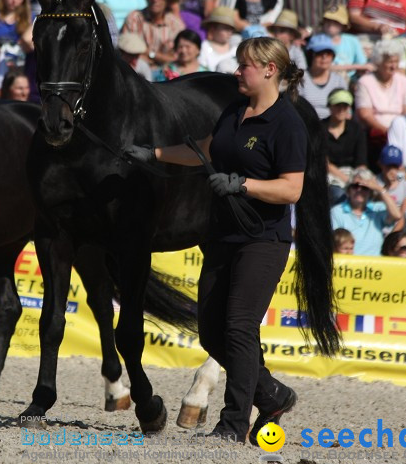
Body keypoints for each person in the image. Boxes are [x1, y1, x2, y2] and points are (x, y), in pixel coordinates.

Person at [123, 36, 310, 444]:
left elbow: (291, 189)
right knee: (210, 331)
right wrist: (152, 155)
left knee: (239, 327)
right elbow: (206, 149)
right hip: (222, 233)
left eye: (244, 65)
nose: (236, 71)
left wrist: (244, 185)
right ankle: (272, 395)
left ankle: (233, 424)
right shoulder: (234, 110)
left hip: (262, 240)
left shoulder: (287, 124)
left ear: (269, 70)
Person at [355, 39, 406, 167]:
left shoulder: (403, 81)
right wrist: (387, 131)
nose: (393, 66)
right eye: (390, 61)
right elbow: (365, 115)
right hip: (374, 133)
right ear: (379, 62)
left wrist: (399, 131)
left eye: (396, 61)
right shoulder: (365, 81)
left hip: (399, 131)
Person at [330, 168, 401, 256]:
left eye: (364, 187)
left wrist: (379, 189)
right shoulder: (337, 212)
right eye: (355, 186)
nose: (359, 190)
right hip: (349, 266)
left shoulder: (377, 209)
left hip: (375, 267)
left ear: (370, 191)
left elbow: (397, 215)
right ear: (349, 189)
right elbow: (335, 244)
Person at [323, 88, 366, 197]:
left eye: (345, 106)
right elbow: (323, 162)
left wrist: (358, 179)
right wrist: (346, 180)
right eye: (338, 105)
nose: (341, 109)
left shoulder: (356, 129)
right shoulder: (319, 129)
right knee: (338, 194)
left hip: (352, 173)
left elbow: (361, 162)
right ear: (330, 106)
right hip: (328, 176)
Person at [298, 35, 346, 119]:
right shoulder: (300, 78)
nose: (324, 57)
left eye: (328, 53)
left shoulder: (339, 81)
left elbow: (345, 111)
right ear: (310, 55)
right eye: (319, 53)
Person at [319, 6, 367, 71]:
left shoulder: (352, 40)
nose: (330, 25)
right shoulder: (318, 40)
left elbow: (362, 63)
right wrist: (354, 67)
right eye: (328, 21)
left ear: (343, 26)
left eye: (336, 22)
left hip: (350, 79)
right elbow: (325, 67)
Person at [376, 144, 406, 223]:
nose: (392, 171)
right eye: (389, 167)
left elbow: (404, 215)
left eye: (395, 167)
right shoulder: (375, 183)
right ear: (381, 165)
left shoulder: (405, 185)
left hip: (397, 226)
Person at [198, 6, 237, 73]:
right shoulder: (204, 47)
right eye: (225, 28)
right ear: (213, 29)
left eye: (231, 29)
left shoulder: (235, 48)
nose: (229, 33)